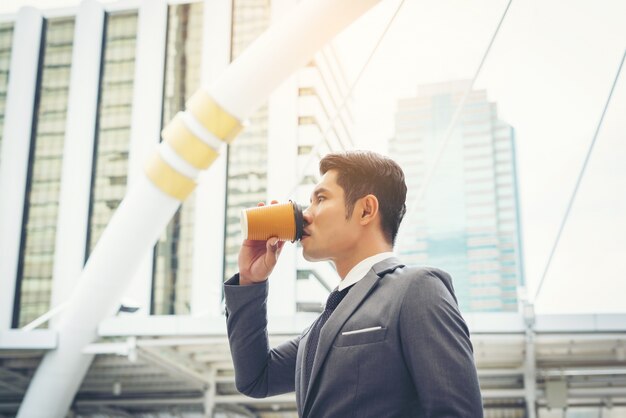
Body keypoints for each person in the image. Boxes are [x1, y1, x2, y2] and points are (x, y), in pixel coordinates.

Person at [224, 150, 483, 417]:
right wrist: (250, 280)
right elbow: (256, 378)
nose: (305, 215)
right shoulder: (319, 329)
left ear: (366, 210)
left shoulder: (417, 289)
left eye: (320, 199)